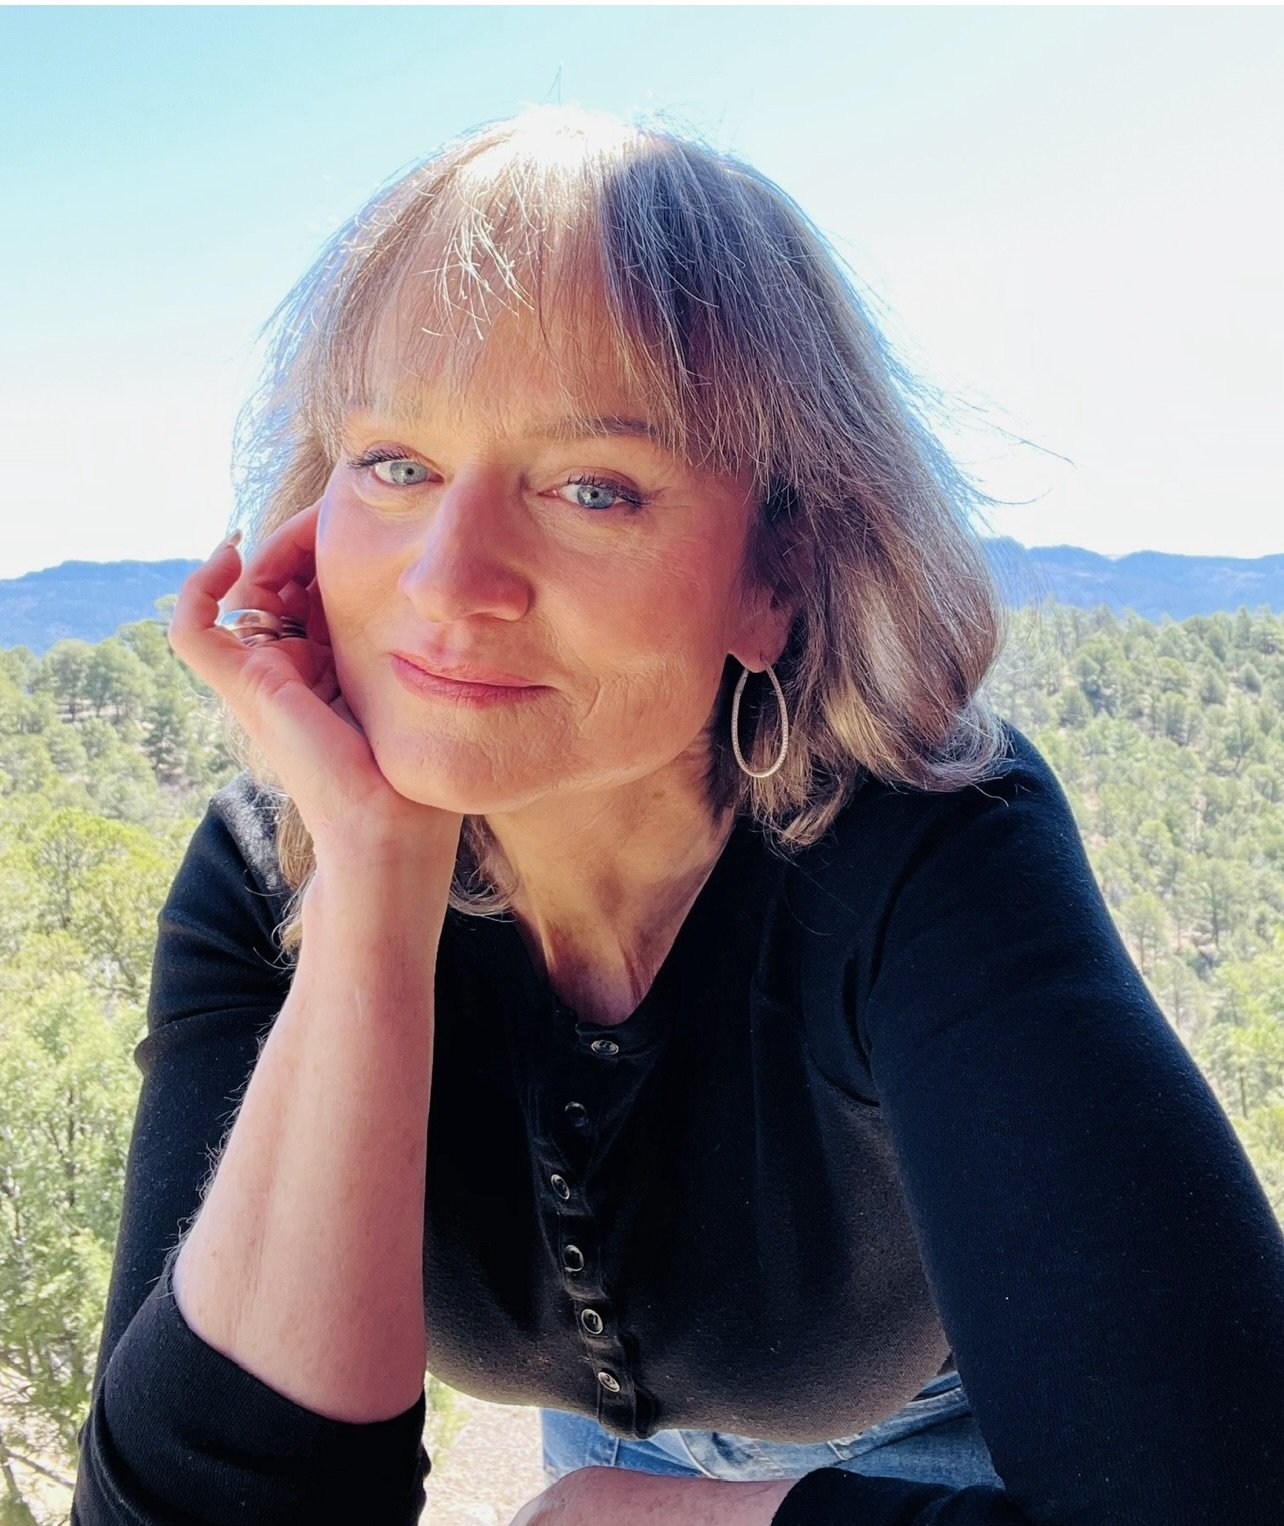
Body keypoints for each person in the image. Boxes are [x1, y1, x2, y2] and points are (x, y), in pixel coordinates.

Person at [71, 105, 1284, 1526]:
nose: (451, 583)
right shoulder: (261, 877)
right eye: (395, 464)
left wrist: (673, 1519)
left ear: (778, 570)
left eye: (594, 487)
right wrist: (373, 883)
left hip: (957, 1461)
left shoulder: (922, 853)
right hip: (611, 1454)